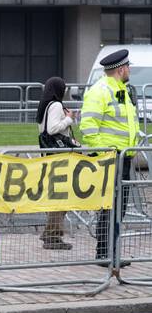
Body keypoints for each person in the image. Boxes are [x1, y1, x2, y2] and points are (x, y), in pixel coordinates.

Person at [80, 49, 140, 263]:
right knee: (109, 207)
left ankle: (112, 252)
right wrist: (105, 152)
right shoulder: (101, 90)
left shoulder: (120, 90)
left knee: (119, 208)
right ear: (121, 69)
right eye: (128, 67)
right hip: (111, 158)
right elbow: (87, 126)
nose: (129, 70)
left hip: (124, 158)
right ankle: (104, 253)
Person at [37, 76, 79, 251]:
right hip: (59, 158)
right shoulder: (54, 106)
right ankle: (53, 234)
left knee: (58, 196)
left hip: (51, 155)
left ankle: (51, 232)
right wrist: (69, 118)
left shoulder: (45, 106)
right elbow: (53, 129)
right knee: (60, 197)